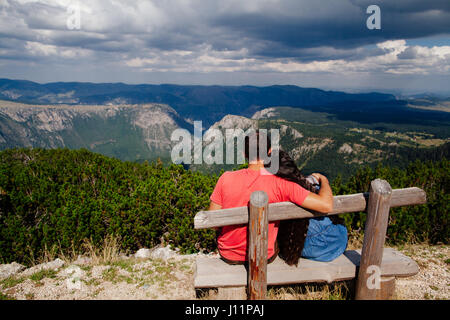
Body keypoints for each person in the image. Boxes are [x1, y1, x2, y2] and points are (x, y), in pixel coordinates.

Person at [208, 130, 347, 265]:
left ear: (244, 153)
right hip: (265, 256)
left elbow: (214, 223)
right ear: (269, 152)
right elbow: (326, 205)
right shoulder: (282, 184)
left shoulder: (225, 178)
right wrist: (324, 180)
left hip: (228, 254)